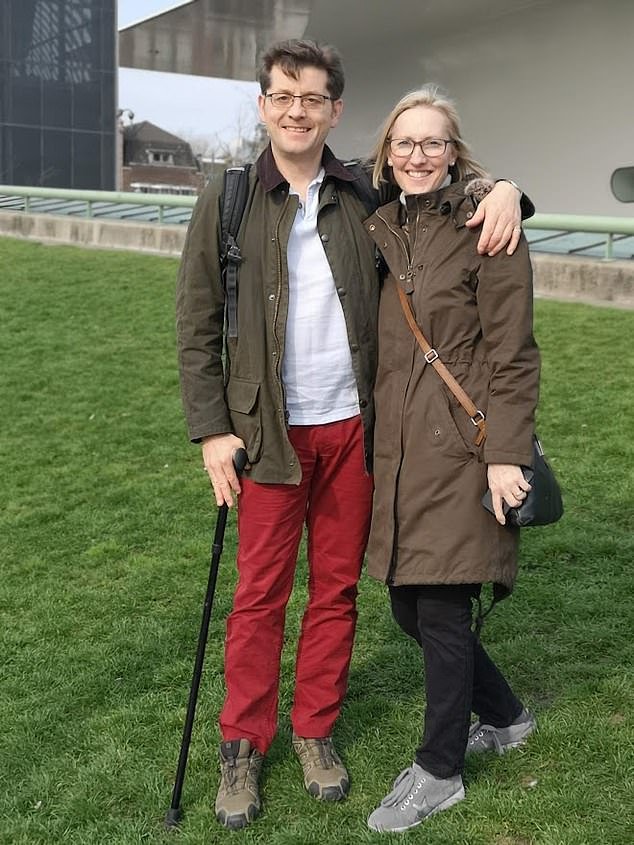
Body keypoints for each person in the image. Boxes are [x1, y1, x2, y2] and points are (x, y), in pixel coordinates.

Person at [176, 40, 526, 830]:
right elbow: (195, 324)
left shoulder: (362, 190)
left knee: (335, 593)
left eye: (313, 99)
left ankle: (315, 729)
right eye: (282, 97)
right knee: (259, 595)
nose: (296, 111)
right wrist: (210, 432)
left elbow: (435, 178)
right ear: (264, 105)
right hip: (267, 437)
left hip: (357, 434)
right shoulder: (227, 198)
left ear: (335, 111)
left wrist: (503, 188)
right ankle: (243, 743)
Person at [362, 85, 541, 833]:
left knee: (437, 607)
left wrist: (506, 456)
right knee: (410, 605)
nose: (417, 155)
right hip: (400, 450)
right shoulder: (383, 219)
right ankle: (504, 714)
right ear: (386, 152)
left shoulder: (485, 225)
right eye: (405, 143)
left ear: (454, 149)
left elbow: (514, 354)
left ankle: (439, 770)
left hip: (463, 450)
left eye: (433, 142)